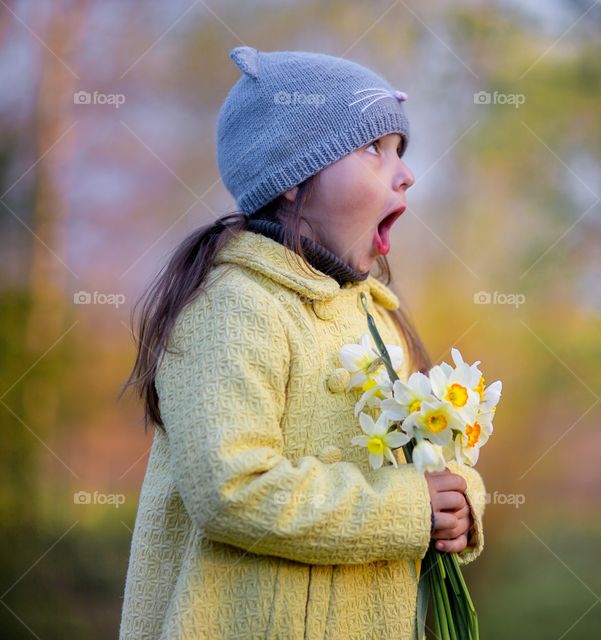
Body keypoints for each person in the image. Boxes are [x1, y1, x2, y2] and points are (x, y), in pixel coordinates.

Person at [118, 46, 486, 639]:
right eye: (374, 148)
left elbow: (422, 466)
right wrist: (411, 509)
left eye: (401, 151)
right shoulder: (234, 306)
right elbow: (233, 488)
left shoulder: (375, 314)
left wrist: (460, 500)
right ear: (293, 178)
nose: (406, 173)